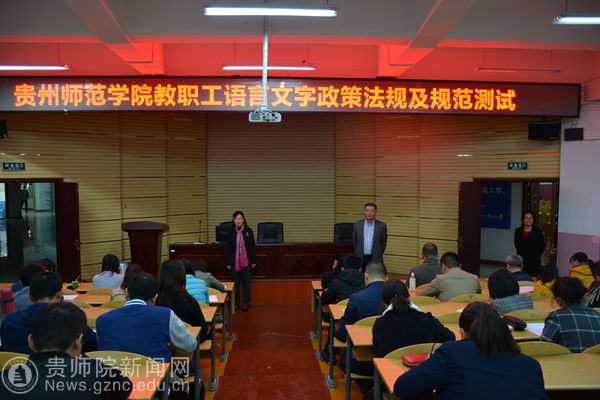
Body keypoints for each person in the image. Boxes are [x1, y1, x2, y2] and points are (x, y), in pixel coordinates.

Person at [394, 302, 546, 400]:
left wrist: (430, 364)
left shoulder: (452, 353)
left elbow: (403, 388)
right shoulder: (531, 365)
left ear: (462, 332)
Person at [10, 302, 132, 400]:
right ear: (78, 342)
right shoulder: (99, 374)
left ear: (31, 341)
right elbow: (125, 386)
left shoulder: (7, 380)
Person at [96, 273, 197, 362]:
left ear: (126, 293)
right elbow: (189, 345)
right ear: (155, 298)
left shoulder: (102, 320)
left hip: (113, 376)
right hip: (155, 375)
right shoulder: (165, 315)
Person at [1, 271, 98, 354]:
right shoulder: (71, 317)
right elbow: (93, 343)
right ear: (60, 295)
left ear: (30, 296)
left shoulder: (9, 321)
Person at [373, 280, 455, 358]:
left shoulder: (380, 324)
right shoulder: (427, 319)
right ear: (409, 298)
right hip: (422, 366)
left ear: (384, 304)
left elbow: (377, 353)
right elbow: (450, 337)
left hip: (388, 367)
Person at [335, 262, 386, 384]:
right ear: (386, 276)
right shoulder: (398, 296)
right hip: (390, 359)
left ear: (366, 277)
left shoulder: (357, 298)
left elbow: (342, 333)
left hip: (361, 361)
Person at [540, 276, 600, 352]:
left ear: (559, 298)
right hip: (594, 359)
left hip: (567, 359)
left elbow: (543, 347)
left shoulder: (556, 317)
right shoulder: (597, 316)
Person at [156, 259, 208, 343]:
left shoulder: (156, 302)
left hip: (163, 345)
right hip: (187, 345)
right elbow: (202, 332)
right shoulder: (190, 301)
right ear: (182, 277)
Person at [225, 211, 256, 312]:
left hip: (246, 262)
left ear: (243, 220)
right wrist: (228, 263)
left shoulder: (248, 231)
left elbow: (252, 247)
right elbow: (227, 248)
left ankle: (245, 302)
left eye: (240, 218)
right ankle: (236, 303)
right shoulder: (230, 232)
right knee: (236, 284)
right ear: (233, 220)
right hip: (234, 262)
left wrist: (253, 261)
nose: (238, 220)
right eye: (236, 218)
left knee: (246, 284)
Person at [352, 203, 387, 270]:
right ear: (364, 212)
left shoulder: (382, 226)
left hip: (375, 258)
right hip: (360, 257)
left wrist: (378, 253)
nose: (369, 213)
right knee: (360, 276)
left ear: (375, 212)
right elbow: (354, 242)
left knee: (374, 276)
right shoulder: (357, 225)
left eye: (372, 211)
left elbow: (383, 243)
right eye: (367, 210)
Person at [514, 212, 545, 278]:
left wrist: (535, 255)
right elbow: (516, 244)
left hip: (534, 261)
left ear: (533, 220)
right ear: (523, 220)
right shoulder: (518, 231)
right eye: (526, 217)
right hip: (521, 260)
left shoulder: (538, 232)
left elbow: (542, 246)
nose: (529, 219)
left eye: (531, 218)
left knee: (533, 280)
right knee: (521, 278)